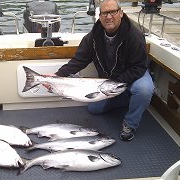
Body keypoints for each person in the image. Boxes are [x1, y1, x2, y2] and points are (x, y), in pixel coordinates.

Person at [53, 0, 154, 141]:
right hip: (109, 82)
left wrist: (116, 82)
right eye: (105, 13)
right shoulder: (92, 38)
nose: (109, 17)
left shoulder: (134, 36)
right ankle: (126, 97)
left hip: (134, 76)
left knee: (144, 89)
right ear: (100, 16)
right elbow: (79, 61)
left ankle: (130, 123)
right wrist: (57, 75)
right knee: (94, 109)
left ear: (121, 13)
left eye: (113, 12)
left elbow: (139, 66)